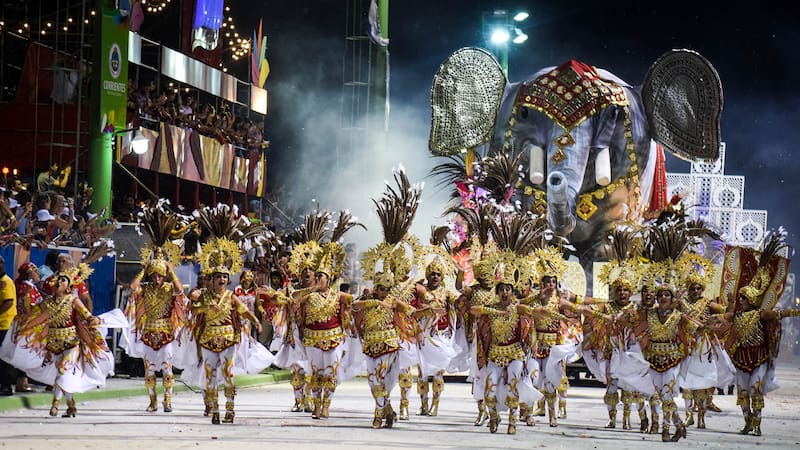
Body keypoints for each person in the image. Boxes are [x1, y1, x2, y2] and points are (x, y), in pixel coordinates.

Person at [123, 257, 186, 412]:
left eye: (160, 275)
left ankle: (168, 400)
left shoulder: (169, 288)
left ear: (164, 276)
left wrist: (171, 271)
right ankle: (153, 401)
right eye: (154, 275)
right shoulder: (145, 288)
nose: (157, 279)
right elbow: (132, 287)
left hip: (166, 333)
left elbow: (180, 290)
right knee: (149, 370)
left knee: (167, 368)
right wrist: (144, 270)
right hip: (148, 333)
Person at [0, 256, 17, 396]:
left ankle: (6, 386)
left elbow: (8, 302)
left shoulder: (5, 281)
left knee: (3, 357)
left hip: (4, 324)